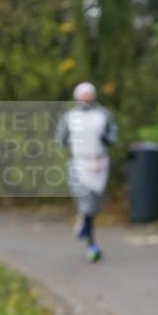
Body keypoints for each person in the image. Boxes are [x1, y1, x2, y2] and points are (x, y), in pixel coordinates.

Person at [55, 83, 117, 262]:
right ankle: (92, 245)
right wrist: (71, 148)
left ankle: (84, 221)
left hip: (100, 163)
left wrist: (106, 139)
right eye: (83, 95)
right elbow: (60, 139)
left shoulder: (103, 115)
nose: (86, 98)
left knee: (94, 203)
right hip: (79, 163)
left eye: (89, 95)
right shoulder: (70, 117)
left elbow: (112, 134)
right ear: (77, 97)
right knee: (86, 202)